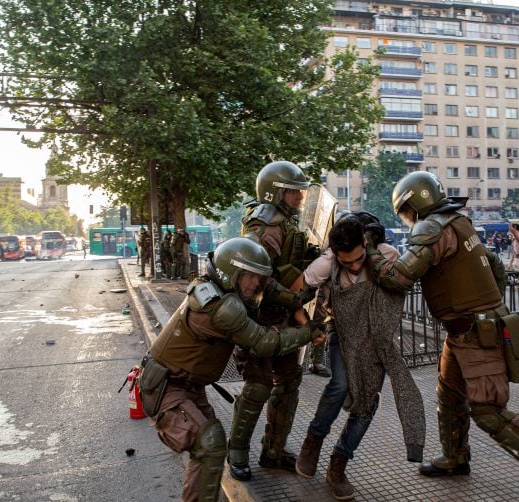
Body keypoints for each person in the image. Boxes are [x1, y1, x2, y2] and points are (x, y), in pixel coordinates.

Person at [366, 172, 519, 502]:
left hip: (475, 333)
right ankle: (455, 458)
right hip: (466, 330)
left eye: (405, 211)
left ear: (415, 205)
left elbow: (398, 278)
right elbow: (494, 267)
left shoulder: (432, 228)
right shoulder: (459, 222)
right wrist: (487, 304)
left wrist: (372, 250)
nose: (405, 218)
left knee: (488, 411)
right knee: (448, 395)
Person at [148, 238, 325, 502]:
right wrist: (308, 332)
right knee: (210, 442)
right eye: (250, 277)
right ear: (231, 273)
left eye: (259, 279)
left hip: (187, 384)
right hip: (167, 387)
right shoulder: (222, 308)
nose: (256, 285)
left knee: (209, 450)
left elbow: (271, 288)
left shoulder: (216, 289)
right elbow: (266, 343)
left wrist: (296, 297)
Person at [295, 215, 425, 500]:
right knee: (340, 385)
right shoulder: (326, 264)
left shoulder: (386, 255)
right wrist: (308, 327)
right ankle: (313, 441)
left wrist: (376, 261)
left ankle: (338, 465)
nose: (354, 266)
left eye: (358, 259)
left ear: (367, 244)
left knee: (367, 403)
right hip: (342, 336)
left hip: (376, 343)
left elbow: (402, 282)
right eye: (346, 262)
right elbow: (295, 292)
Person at [227, 160, 315, 481]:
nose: (299, 198)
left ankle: (273, 450)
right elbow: (258, 278)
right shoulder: (263, 227)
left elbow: (284, 264)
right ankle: (236, 451)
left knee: (289, 381)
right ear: (275, 192)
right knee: (258, 386)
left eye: (300, 192)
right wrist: (293, 296)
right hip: (259, 319)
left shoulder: (286, 222)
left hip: (282, 318)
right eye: (293, 192)